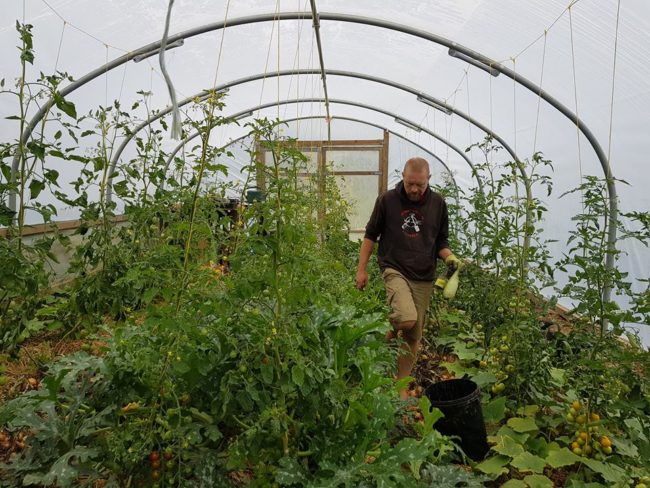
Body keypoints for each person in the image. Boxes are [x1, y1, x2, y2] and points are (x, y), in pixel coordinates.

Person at [355, 157, 460, 400]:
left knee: (413, 335)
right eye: (410, 183)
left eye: (419, 185)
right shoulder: (388, 200)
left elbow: (441, 242)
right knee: (406, 317)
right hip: (395, 268)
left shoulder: (438, 204)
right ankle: (387, 334)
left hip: (424, 275)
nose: (414, 189)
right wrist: (362, 270)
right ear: (403, 176)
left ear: (428, 180)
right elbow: (371, 236)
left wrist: (451, 259)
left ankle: (401, 384)